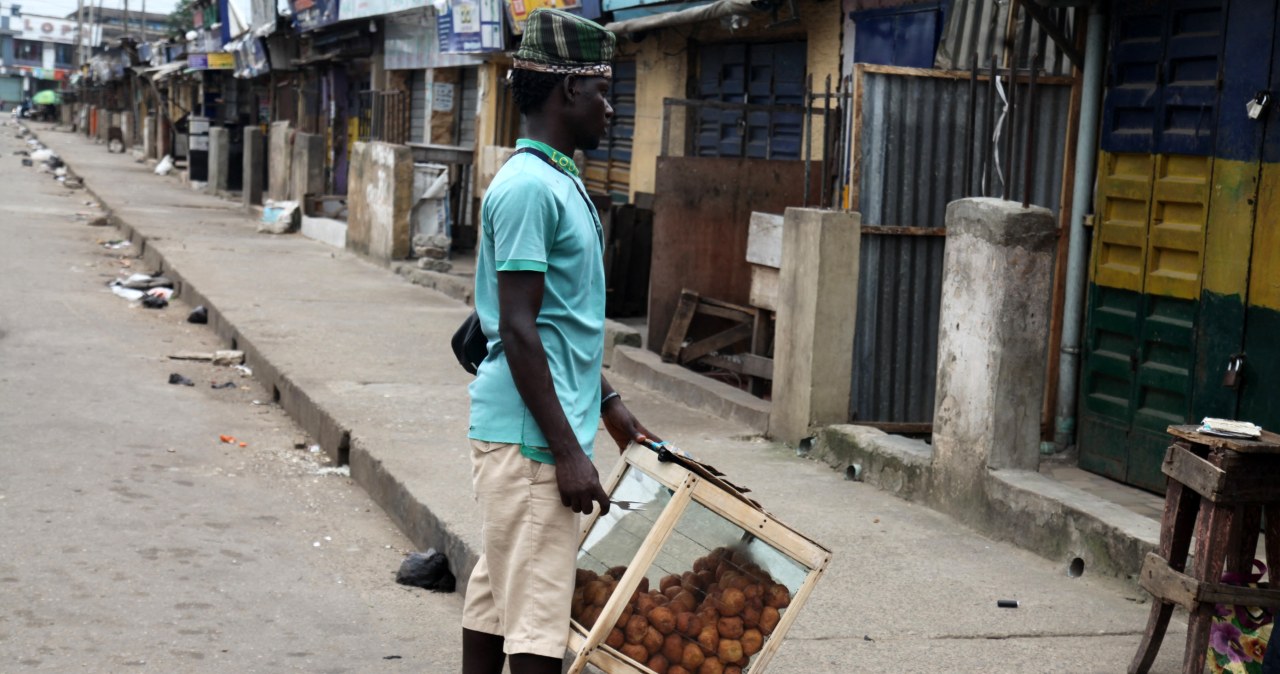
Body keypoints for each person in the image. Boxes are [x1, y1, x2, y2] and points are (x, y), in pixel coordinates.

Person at [461, 8, 658, 674]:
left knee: (498, 597)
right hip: (532, 441)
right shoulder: (527, 189)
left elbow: (557, 322)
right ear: (569, 91)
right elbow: (517, 328)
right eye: (604, 92)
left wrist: (609, 403)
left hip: (537, 430)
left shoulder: (559, 180)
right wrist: (570, 453)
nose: (611, 109)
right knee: (540, 624)